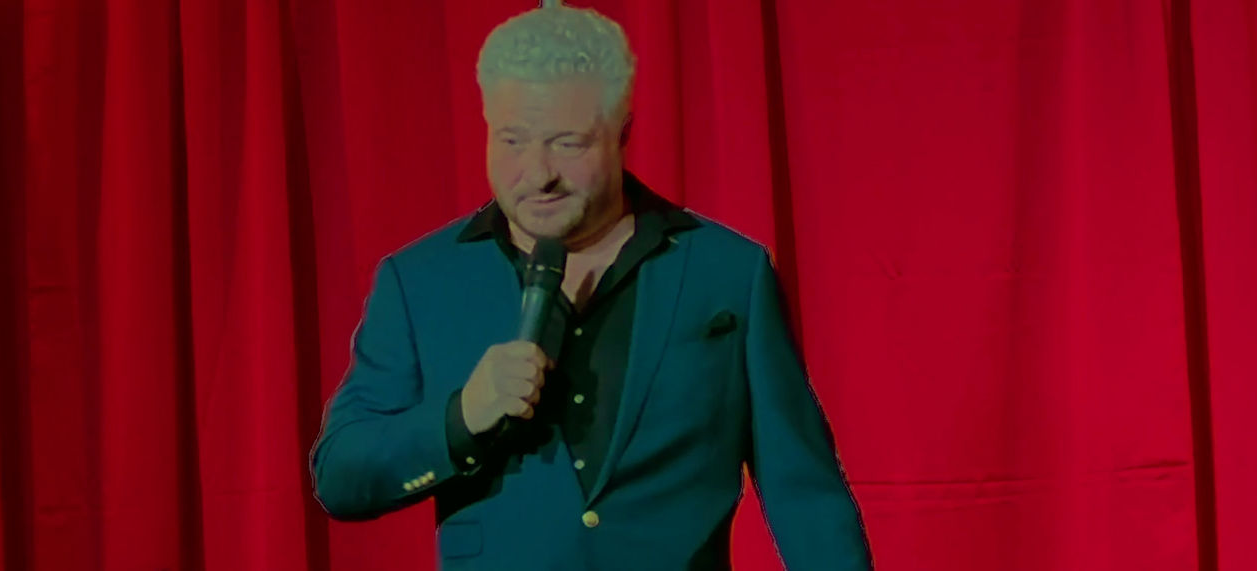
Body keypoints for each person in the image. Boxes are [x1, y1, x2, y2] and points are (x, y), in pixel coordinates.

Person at [308, 1, 872, 569]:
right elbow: (341, 476)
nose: (538, 173)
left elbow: (805, 494)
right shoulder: (420, 281)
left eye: (567, 143)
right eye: (512, 140)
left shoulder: (726, 273)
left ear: (623, 133)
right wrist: (462, 417)